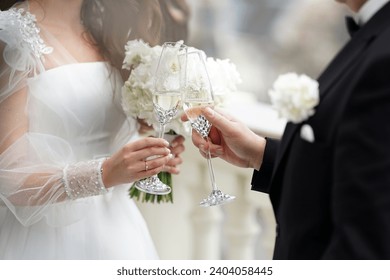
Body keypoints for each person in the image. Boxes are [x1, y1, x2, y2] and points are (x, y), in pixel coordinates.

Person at [184, 0, 390, 259]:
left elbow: (367, 242)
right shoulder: (374, 32)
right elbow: (348, 167)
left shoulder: (385, 56)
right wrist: (260, 154)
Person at [0, 0, 185, 259]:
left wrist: (145, 159)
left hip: (119, 233)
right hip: (43, 240)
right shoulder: (10, 35)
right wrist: (103, 173)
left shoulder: (107, 30)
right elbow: (8, 177)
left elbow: (101, 132)